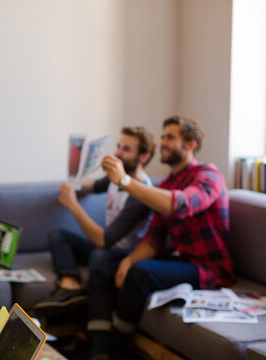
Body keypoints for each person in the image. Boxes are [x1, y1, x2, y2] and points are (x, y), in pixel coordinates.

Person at [86, 116, 233, 359]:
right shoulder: (166, 184)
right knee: (104, 270)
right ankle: (98, 353)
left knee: (140, 273)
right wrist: (129, 260)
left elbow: (181, 205)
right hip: (178, 260)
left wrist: (124, 180)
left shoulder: (209, 176)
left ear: (190, 145)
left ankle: (116, 347)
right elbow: (154, 237)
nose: (162, 142)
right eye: (163, 136)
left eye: (170, 137)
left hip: (206, 268)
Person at [32, 126, 156, 314]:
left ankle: (84, 311)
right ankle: (70, 286)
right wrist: (76, 182)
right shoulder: (116, 179)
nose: (118, 153)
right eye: (119, 146)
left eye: (126, 149)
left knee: (99, 255)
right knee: (58, 235)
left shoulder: (141, 194)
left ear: (144, 157)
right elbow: (93, 186)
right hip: (108, 248)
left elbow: (102, 240)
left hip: (126, 254)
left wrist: (73, 205)